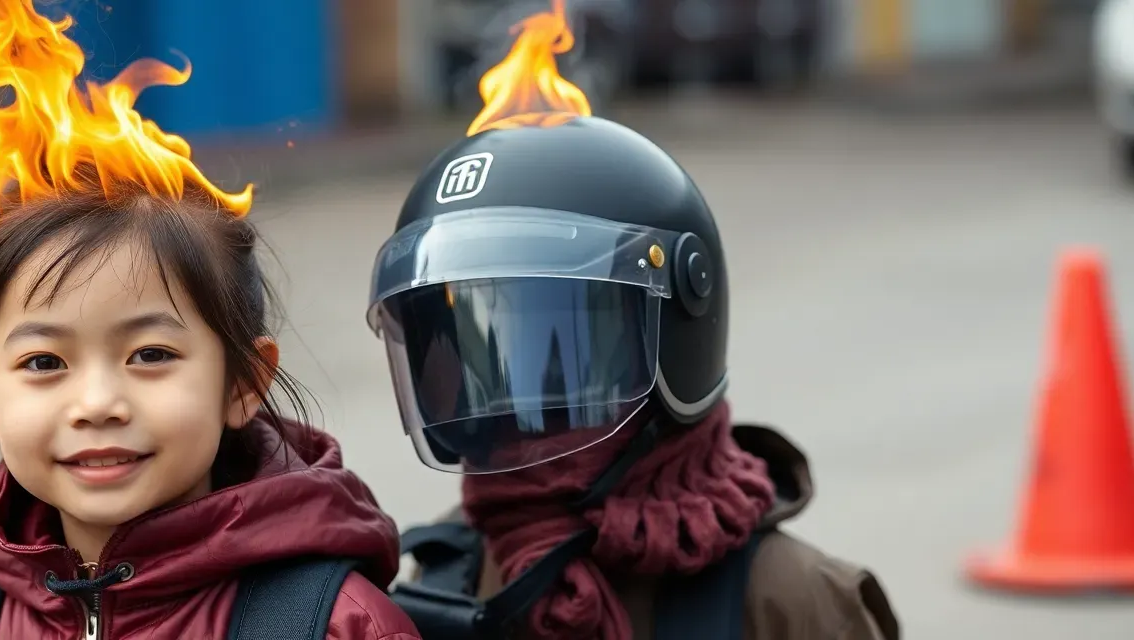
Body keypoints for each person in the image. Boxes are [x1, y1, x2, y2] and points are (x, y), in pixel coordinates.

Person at [362, 6, 900, 638]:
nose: (510, 410)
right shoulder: (447, 575)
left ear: (679, 328)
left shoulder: (794, 602)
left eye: (558, 354)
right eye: (473, 358)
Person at [0, 2, 419, 639]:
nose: (97, 404)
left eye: (150, 354)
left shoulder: (336, 626)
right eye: (44, 363)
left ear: (242, 382)